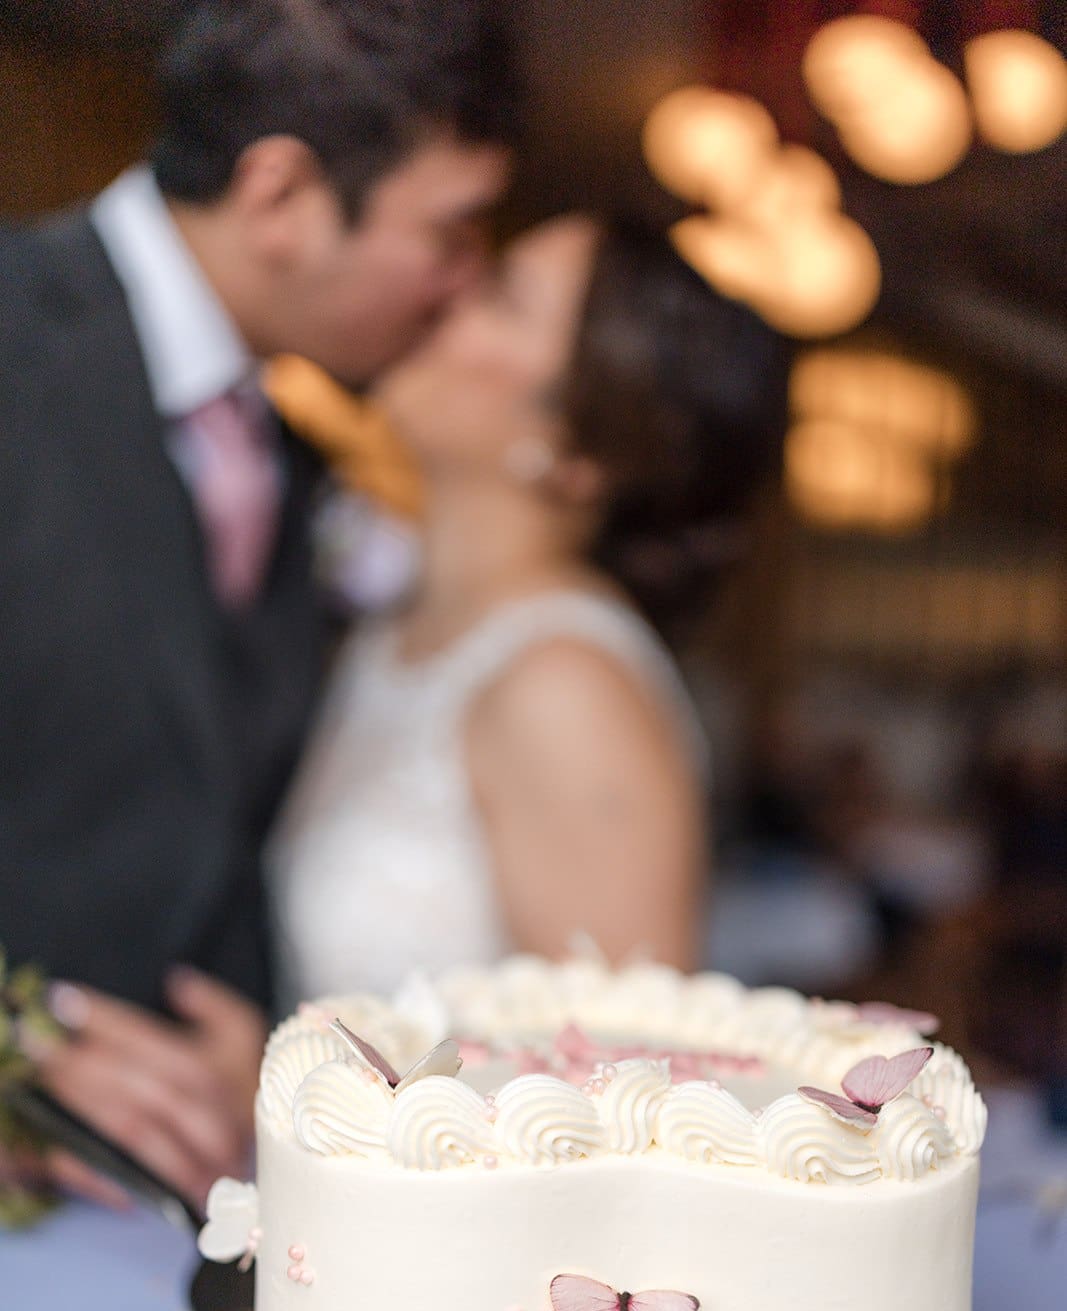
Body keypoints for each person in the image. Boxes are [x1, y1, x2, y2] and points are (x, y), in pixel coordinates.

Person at [0, 0, 514, 1208]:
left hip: (189, 1218)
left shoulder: (289, 451)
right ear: (280, 196)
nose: (463, 284)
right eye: (450, 231)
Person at [268, 215, 785, 998]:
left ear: (578, 450)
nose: (444, 291)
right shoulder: (398, 632)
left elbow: (618, 1090)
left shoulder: (565, 688)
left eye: (500, 296)